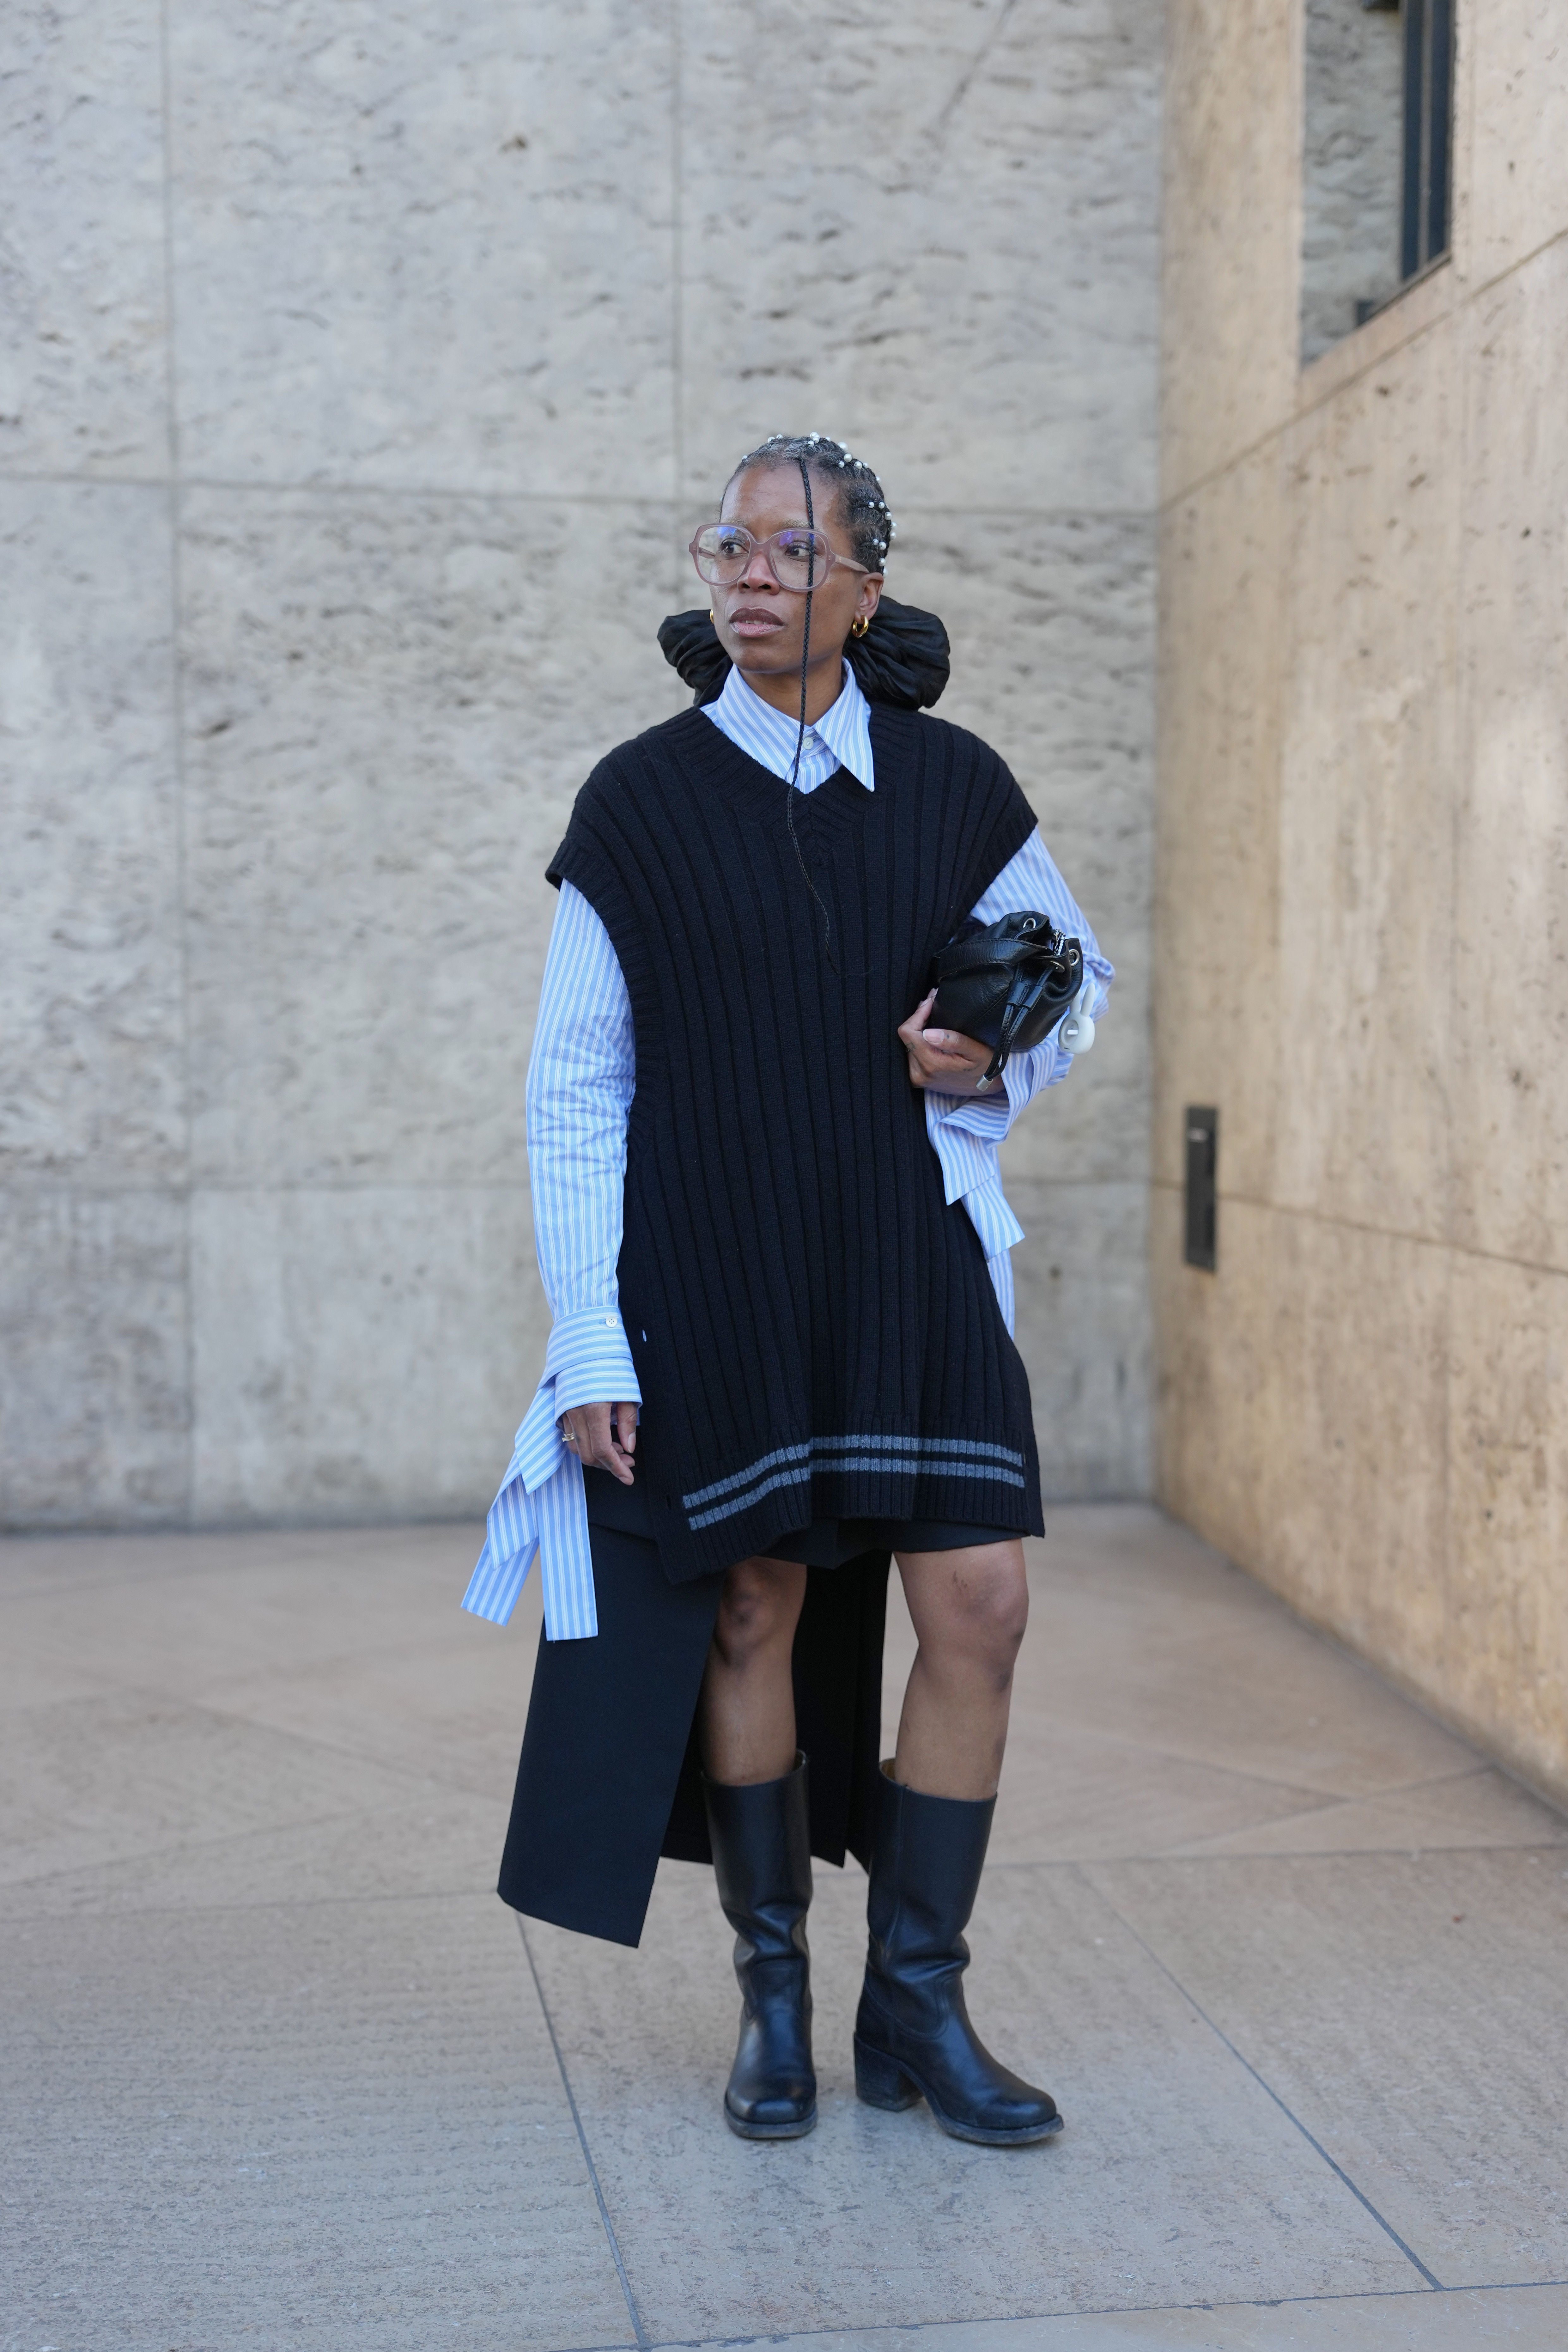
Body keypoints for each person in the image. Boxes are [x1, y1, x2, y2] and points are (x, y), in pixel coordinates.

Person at [464, 431, 1112, 2148]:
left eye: (783, 548)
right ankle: (774, 1998)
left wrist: (986, 1054)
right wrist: (589, 1327)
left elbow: (1078, 979)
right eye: (725, 546)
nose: (747, 572)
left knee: (977, 1601)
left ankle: (919, 1999)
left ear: (863, 586)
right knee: (751, 1605)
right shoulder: (638, 801)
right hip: (719, 1269)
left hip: (914, 1262)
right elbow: (575, 1084)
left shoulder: (961, 786)